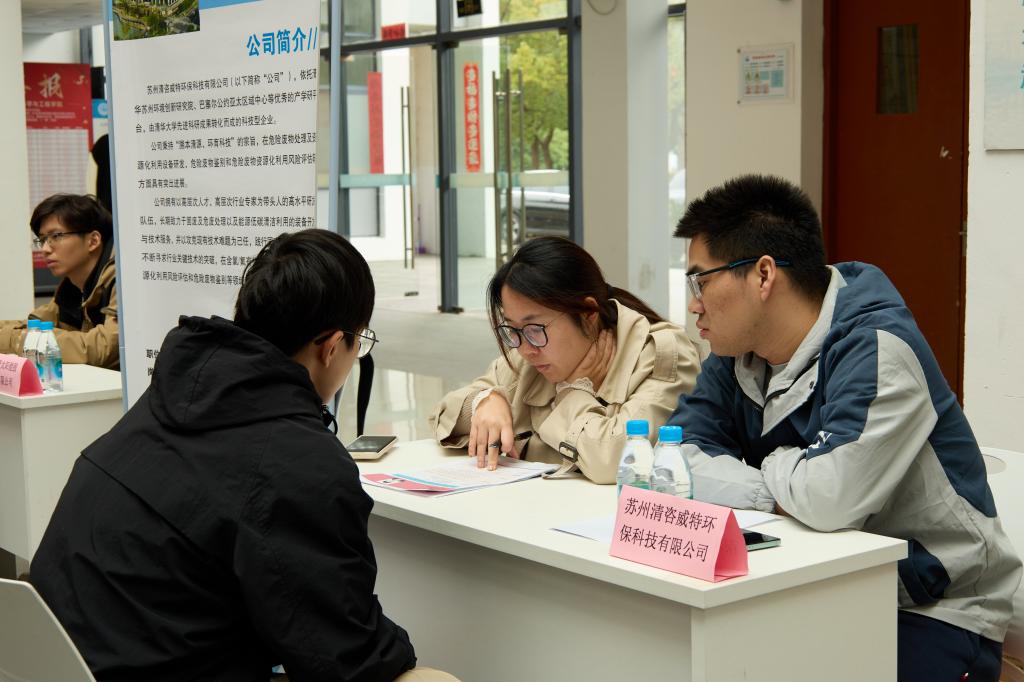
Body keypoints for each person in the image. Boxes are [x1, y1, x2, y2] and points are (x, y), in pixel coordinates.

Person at [31, 230, 456, 682]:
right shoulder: (295, 457)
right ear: (332, 346)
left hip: (53, 662)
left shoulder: (167, 400)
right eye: (359, 343)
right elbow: (347, 658)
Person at [667, 174, 1022, 682]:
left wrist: (768, 464)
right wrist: (782, 487)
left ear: (763, 274)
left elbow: (831, 498)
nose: (694, 303)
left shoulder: (877, 346)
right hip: (803, 583)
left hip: (928, 606)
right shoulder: (736, 353)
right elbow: (676, 461)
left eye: (701, 281)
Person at [430, 236, 700, 481]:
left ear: (588, 313)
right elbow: (442, 414)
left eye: (535, 328)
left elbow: (615, 460)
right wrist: (486, 401)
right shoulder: (528, 358)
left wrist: (572, 392)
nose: (524, 349)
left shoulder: (661, 354)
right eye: (511, 329)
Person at [0, 194, 118, 369]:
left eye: (56, 236)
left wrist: (14, 340)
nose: (45, 249)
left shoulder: (123, 280)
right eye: (42, 240)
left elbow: (101, 349)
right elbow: (35, 322)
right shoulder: (72, 286)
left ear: (93, 241)